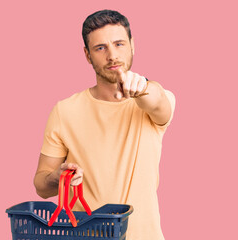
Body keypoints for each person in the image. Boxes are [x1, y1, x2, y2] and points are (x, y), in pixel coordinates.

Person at [33, 9, 175, 240]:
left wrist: (143, 89)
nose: (112, 55)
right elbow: (41, 184)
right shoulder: (64, 111)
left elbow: (157, 101)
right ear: (88, 55)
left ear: (132, 45)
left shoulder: (155, 98)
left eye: (119, 44)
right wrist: (56, 178)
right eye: (100, 48)